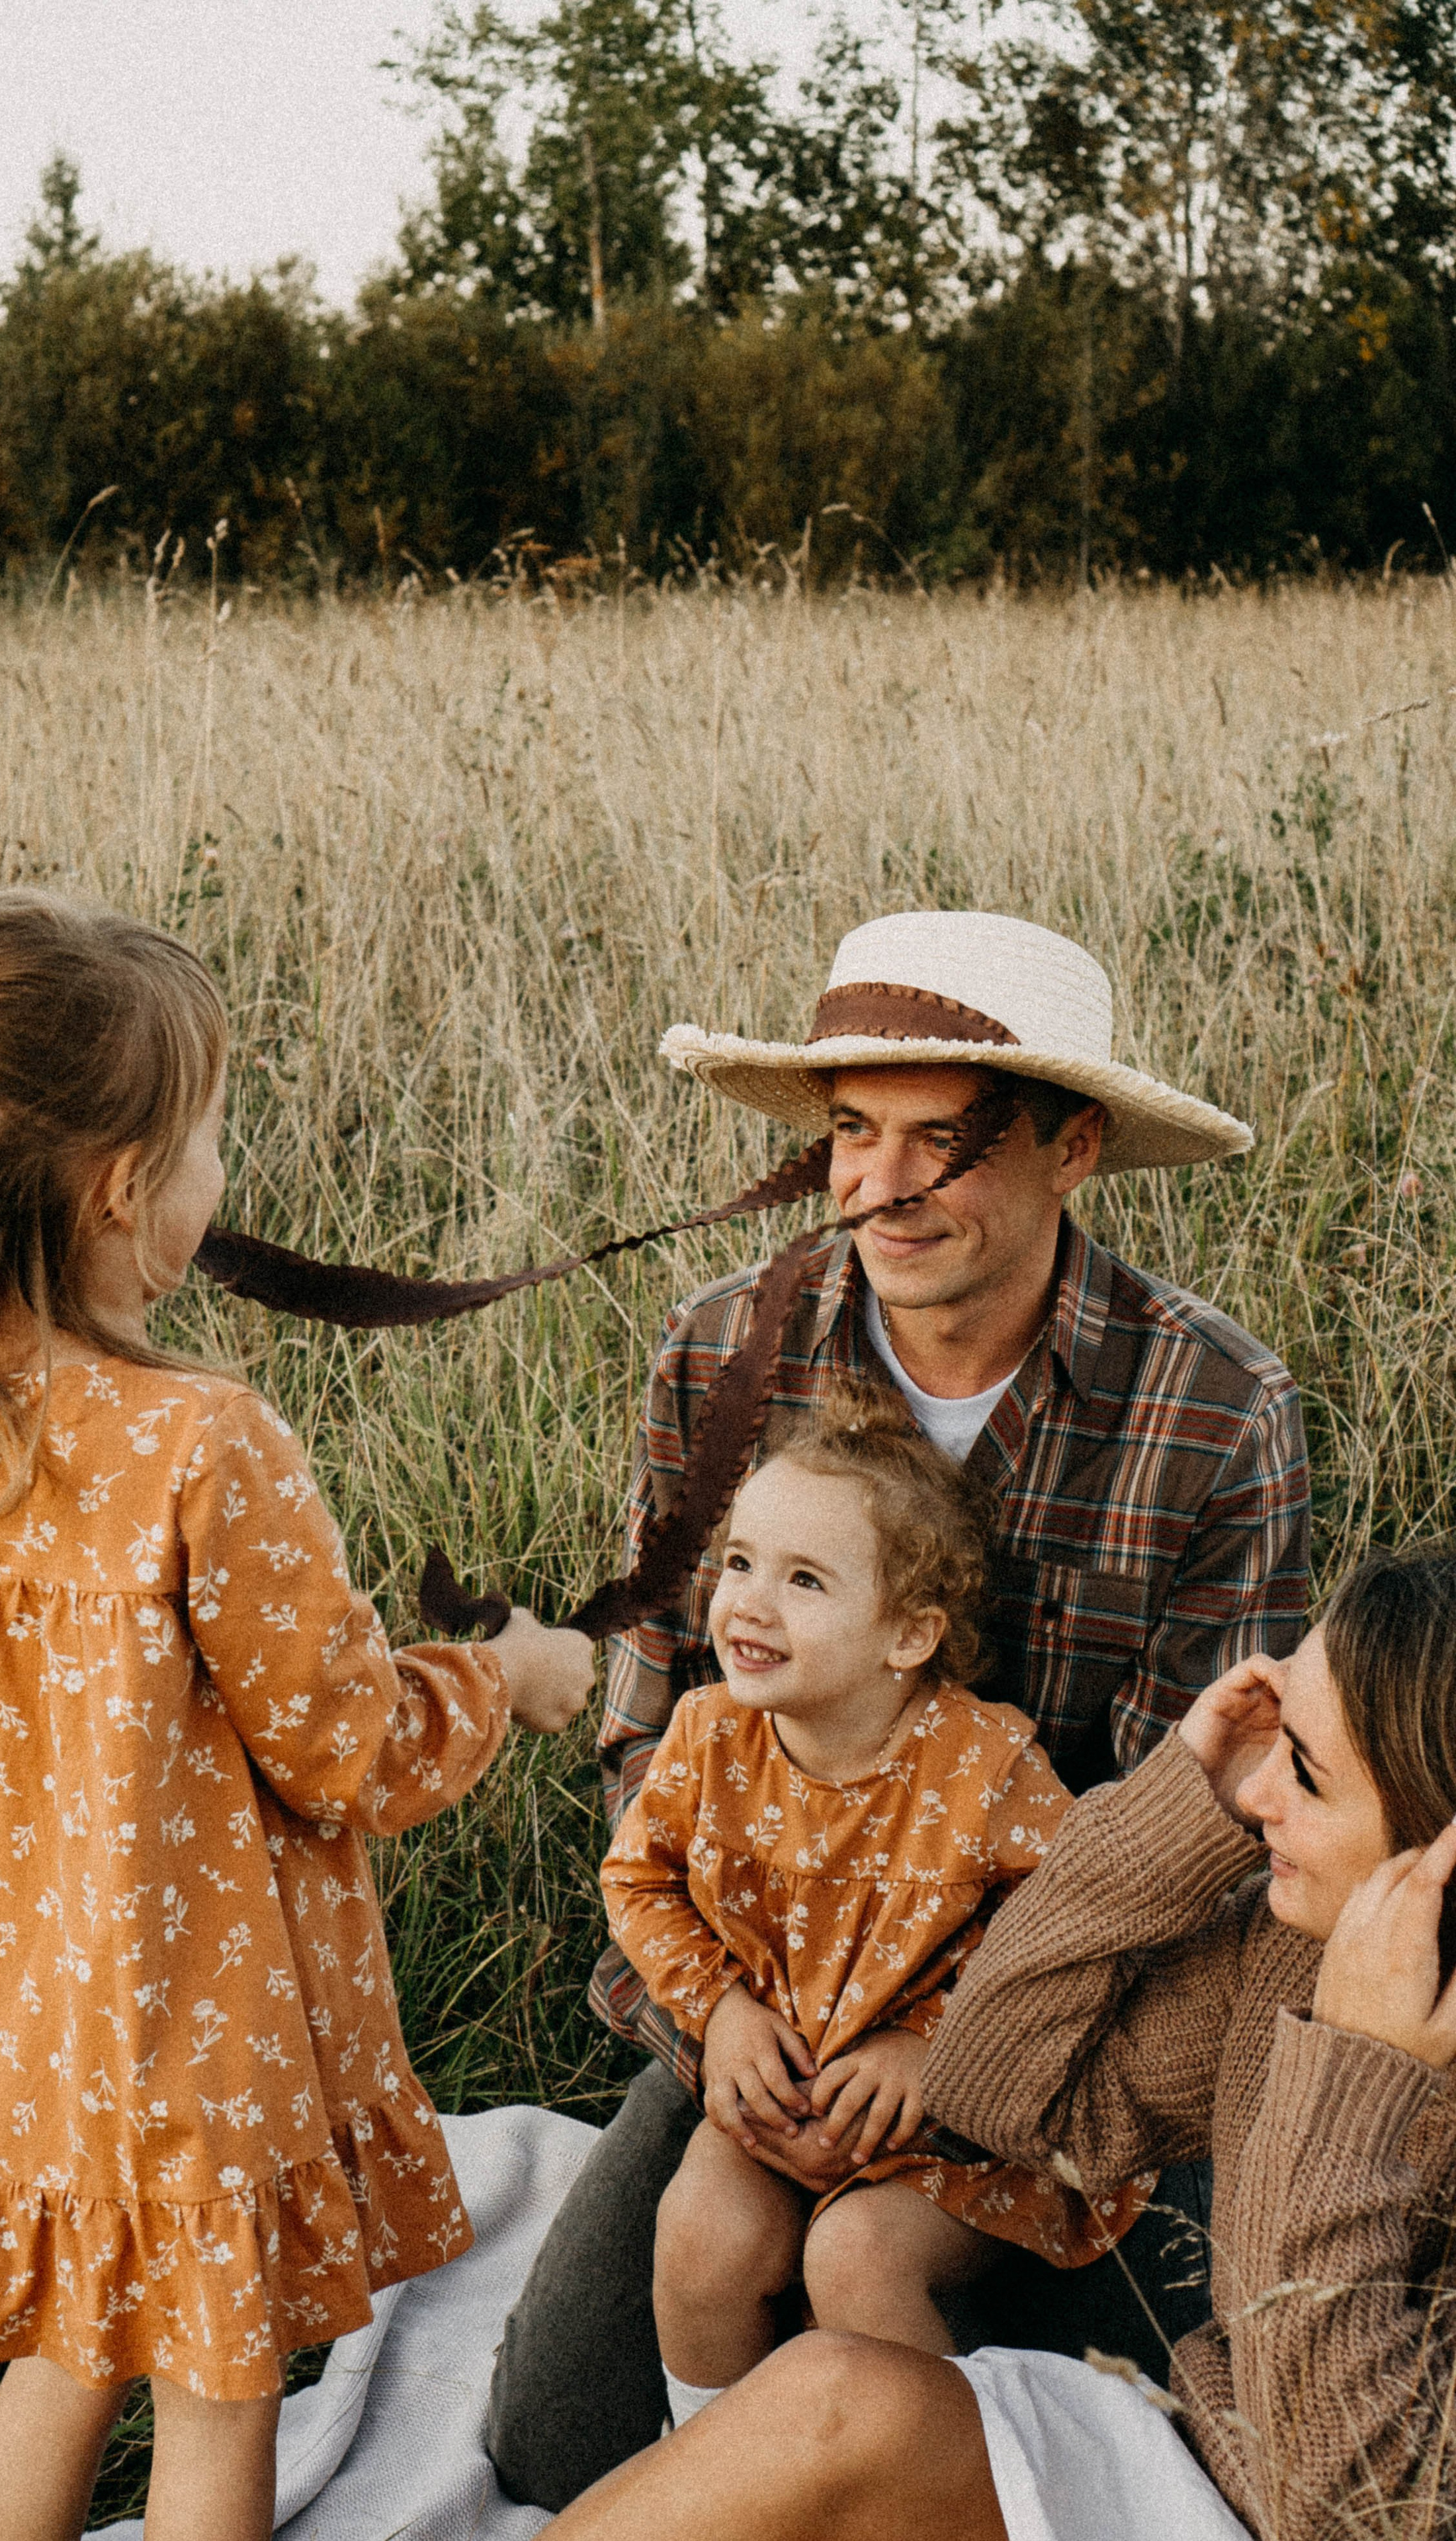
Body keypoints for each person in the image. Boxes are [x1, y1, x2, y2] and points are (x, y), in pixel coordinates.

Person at [0, 890, 594, 2541]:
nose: (226, 1169)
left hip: (9, 2013)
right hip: (177, 2025)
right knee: (221, 2385)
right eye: (209, 1134)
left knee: (77, 2338)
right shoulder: (204, 1448)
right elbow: (344, 1748)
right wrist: (503, 1677)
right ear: (127, 1189)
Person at [488, 907, 1311, 2507]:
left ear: (1072, 1149)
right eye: (850, 1135)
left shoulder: (1214, 1410)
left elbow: (1197, 1833)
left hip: (1054, 2033)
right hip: (773, 2003)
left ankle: (918, 2443)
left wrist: (960, 2048)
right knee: (555, 2441)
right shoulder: (720, 1348)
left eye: (944, 1142)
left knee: (1211, 2447)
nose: (879, 1187)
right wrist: (717, 2021)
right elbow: (651, 1734)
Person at [539, 1544, 1456, 2541]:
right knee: (829, 2395)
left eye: (1308, 1775)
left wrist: (1356, 2085)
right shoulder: (1286, 1951)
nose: (1257, 1796)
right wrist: (1173, 1809)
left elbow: (1349, 2507)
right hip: (1195, 2458)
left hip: (1277, 2510)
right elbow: (997, 2090)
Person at [603, 1388, 1150, 2435]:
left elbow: (1082, 1925)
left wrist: (932, 2047)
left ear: (909, 1636)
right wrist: (718, 2012)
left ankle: (939, 2489)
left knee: (852, 2260)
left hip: (950, 2119)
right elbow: (639, 1880)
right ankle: (717, 2478)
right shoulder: (710, 1738)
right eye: (743, 1563)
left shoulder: (981, 1768)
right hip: (784, 2078)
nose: (750, 1604)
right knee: (701, 2235)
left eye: (804, 1580)